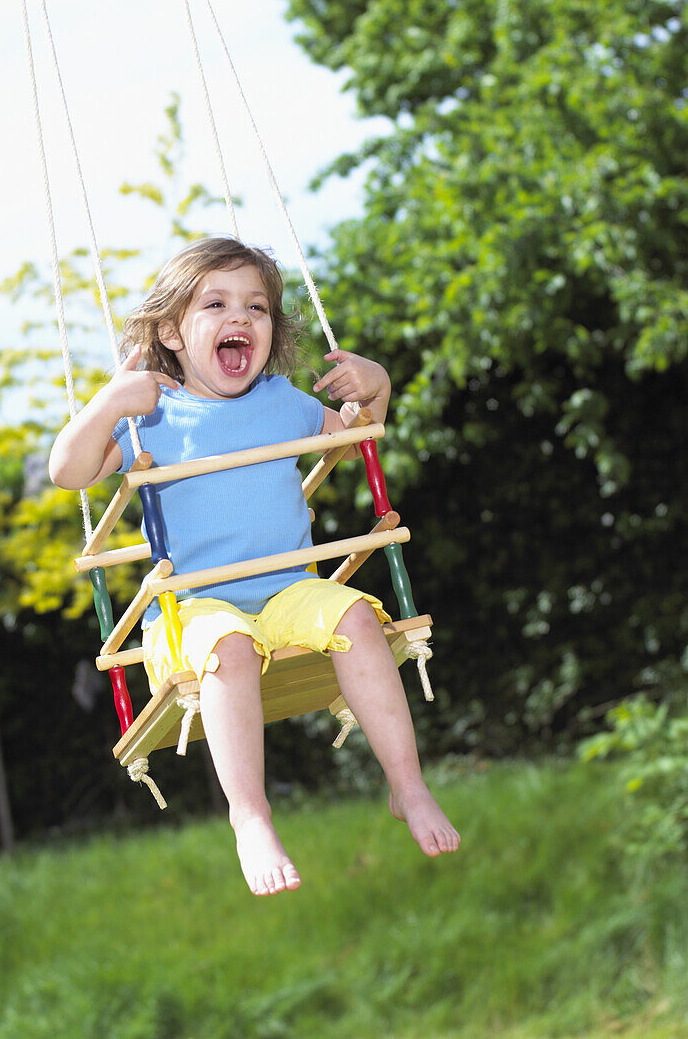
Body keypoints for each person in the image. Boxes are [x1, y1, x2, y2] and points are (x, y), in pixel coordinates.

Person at [49, 237, 460, 896]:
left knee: (355, 612)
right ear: (171, 333)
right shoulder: (150, 414)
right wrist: (106, 404)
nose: (240, 315)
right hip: (194, 615)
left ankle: (408, 786)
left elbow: (357, 441)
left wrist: (376, 386)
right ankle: (251, 816)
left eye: (257, 306)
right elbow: (67, 471)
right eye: (215, 302)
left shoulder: (282, 402)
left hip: (287, 593)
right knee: (232, 648)